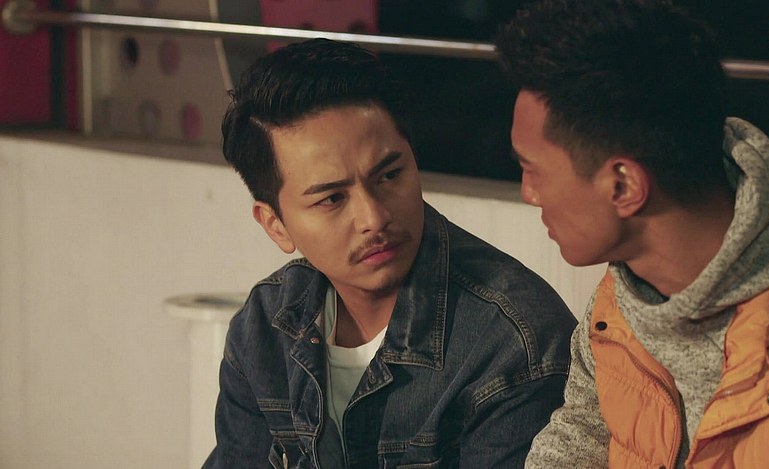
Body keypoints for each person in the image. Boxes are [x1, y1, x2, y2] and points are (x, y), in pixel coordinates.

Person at [202, 38, 576, 468]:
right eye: (332, 199)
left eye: (390, 175)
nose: (374, 218)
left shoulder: (512, 343)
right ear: (276, 225)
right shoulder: (265, 326)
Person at [495, 0, 769, 467]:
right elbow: (576, 440)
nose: (528, 194)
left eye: (533, 170)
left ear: (623, 186)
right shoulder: (621, 298)